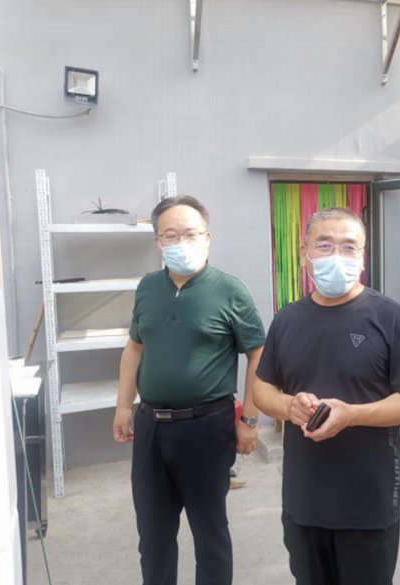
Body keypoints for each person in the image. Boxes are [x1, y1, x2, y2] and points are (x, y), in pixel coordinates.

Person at [253, 207, 400, 585]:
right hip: (303, 497)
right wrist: (288, 406)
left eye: (349, 247)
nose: (337, 255)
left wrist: (353, 414)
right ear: (304, 254)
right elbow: (262, 388)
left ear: (362, 258)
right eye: (324, 245)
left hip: (367, 500)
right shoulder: (287, 319)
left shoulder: (389, 317)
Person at [112, 195, 266, 585]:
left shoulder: (230, 290)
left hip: (206, 427)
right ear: (158, 242)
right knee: (153, 534)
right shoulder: (148, 287)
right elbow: (134, 347)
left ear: (207, 238)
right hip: (150, 425)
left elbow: (258, 355)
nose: (181, 242)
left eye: (191, 234)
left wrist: (250, 419)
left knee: (209, 531)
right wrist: (123, 406)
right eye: (171, 235)